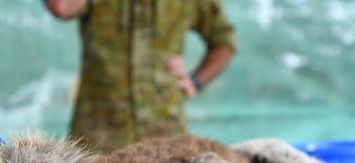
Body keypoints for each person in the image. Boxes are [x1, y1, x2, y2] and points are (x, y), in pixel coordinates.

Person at [44, 0, 236, 152]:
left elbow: (224, 41)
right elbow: (62, 6)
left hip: (166, 135)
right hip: (98, 135)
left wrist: (196, 81)